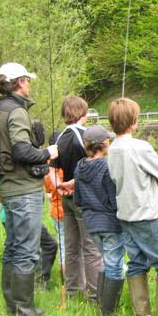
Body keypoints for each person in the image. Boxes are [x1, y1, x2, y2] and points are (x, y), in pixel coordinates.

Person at [0, 62, 58, 316]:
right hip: (22, 189)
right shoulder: (17, 111)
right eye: (27, 80)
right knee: (27, 251)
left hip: (8, 186)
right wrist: (47, 153)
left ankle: (13, 307)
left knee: (13, 247)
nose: (30, 85)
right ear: (19, 82)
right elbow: (21, 151)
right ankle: (24, 312)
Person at [107, 98, 158, 316]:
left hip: (126, 216)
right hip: (147, 216)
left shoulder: (112, 148)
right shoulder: (139, 147)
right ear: (134, 122)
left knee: (137, 265)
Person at [52, 96, 103, 302]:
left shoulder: (59, 137)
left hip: (66, 197)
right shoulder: (87, 136)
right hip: (86, 198)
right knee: (91, 248)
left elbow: (52, 170)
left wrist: (60, 186)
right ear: (83, 112)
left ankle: (73, 292)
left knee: (71, 246)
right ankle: (95, 294)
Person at [73, 125, 125, 316]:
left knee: (107, 262)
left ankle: (103, 306)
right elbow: (113, 200)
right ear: (103, 145)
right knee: (114, 265)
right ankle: (108, 313)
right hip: (110, 223)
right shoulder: (105, 166)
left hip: (91, 223)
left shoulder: (79, 166)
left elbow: (77, 199)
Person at [0, 184, 58, 290]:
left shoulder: (1, 170)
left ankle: (19, 286)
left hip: (12, 216)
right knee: (37, 249)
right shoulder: (18, 173)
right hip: (24, 215)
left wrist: (4, 211)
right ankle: (37, 284)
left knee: (18, 249)